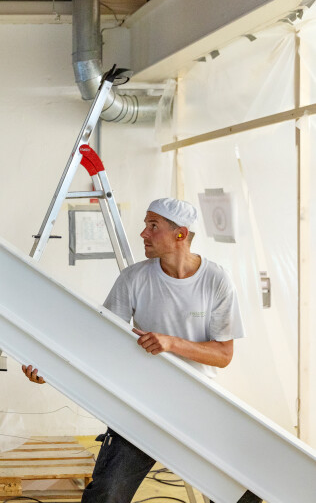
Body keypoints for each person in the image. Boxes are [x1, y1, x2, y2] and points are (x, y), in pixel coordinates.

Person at [21, 197, 261, 503]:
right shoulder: (133, 279)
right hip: (143, 403)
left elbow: (223, 355)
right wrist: (53, 371)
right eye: (146, 225)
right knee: (106, 495)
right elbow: (99, 342)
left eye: (153, 226)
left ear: (180, 234)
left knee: (243, 495)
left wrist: (171, 343)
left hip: (199, 405)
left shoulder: (216, 280)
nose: (143, 233)